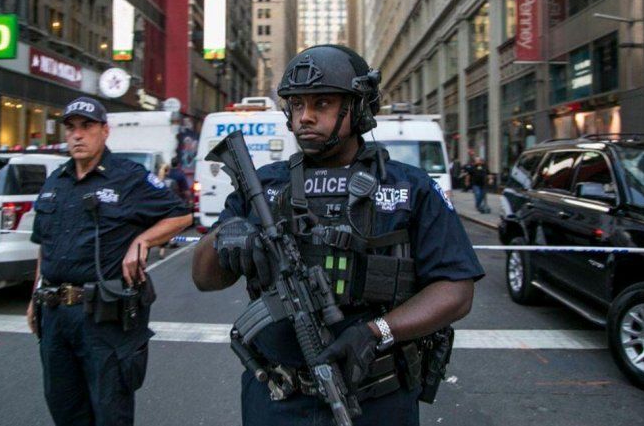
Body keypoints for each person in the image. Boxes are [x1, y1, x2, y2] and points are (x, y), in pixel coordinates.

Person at [191, 45, 484, 426]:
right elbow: (204, 277)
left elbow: (456, 289)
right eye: (296, 105)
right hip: (276, 400)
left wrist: (377, 331)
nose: (305, 117)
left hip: (375, 401)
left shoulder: (411, 188)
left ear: (358, 109)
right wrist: (229, 236)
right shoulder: (264, 186)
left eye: (322, 104)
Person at [25, 96, 192, 426]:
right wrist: (35, 295)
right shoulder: (54, 181)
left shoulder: (128, 178)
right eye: (71, 128)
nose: (77, 135)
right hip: (55, 315)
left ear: (105, 131)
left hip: (102, 318)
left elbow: (181, 214)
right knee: (64, 407)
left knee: (110, 410)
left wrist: (141, 240)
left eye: (86, 127)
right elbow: (44, 245)